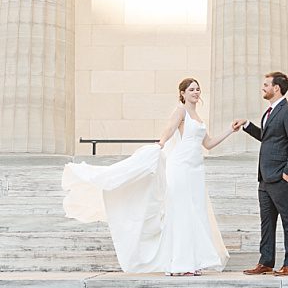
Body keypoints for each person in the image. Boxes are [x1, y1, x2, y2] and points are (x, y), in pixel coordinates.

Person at [62, 78, 234, 276]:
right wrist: (159, 145)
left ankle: (192, 261)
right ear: (183, 93)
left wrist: (230, 129)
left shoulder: (198, 117)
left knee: (195, 213)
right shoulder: (181, 111)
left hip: (196, 170)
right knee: (181, 212)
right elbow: (169, 129)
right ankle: (180, 264)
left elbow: (209, 144)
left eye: (198, 89)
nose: (196, 92)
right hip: (180, 167)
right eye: (191, 90)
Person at [232, 71, 288, 277]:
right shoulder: (270, 112)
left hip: (282, 177)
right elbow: (267, 138)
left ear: (276, 88)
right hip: (265, 178)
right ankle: (266, 261)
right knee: (267, 223)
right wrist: (247, 125)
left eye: (266, 84)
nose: (263, 88)